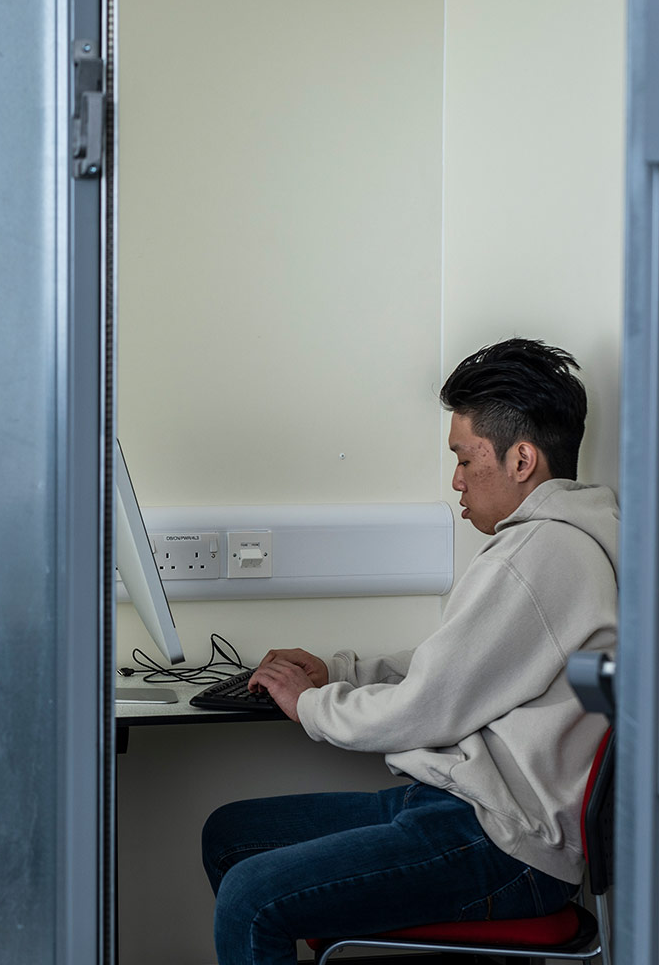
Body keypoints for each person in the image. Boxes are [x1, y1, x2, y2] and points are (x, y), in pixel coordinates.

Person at [202, 338, 619, 965]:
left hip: (502, 843)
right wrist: (339, 672)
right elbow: (456, 665)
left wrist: (311, 703)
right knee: (232, 835)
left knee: (250, 898)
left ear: (522, 459)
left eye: (463, 457)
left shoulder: (544, 556)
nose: (455, 479)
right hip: (461, 808)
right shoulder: (556, 545)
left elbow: (426, 707)